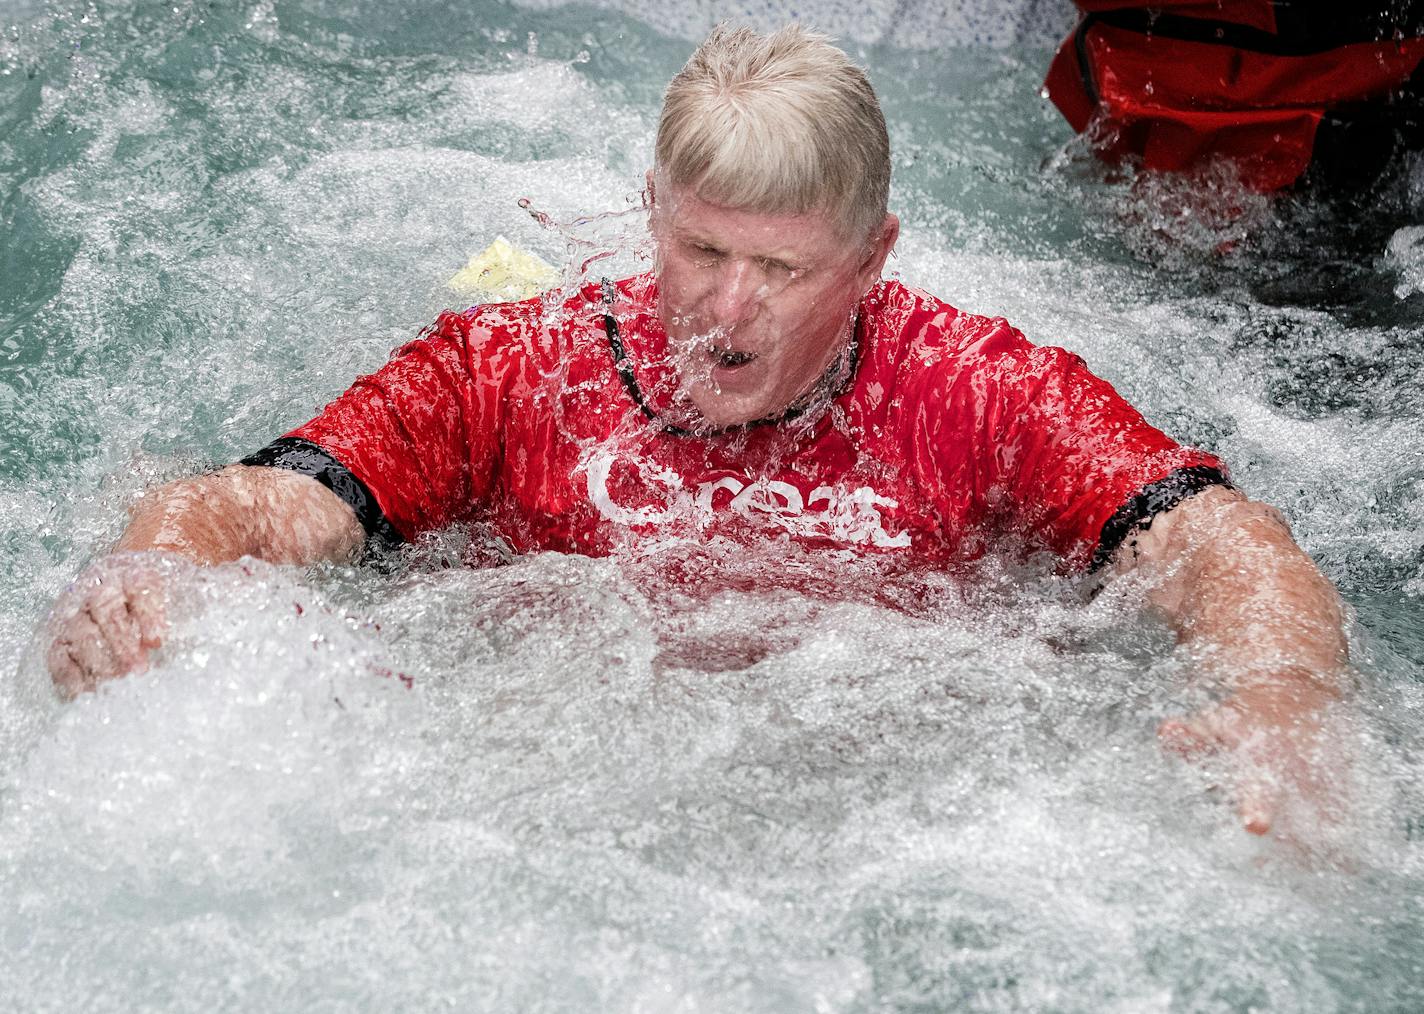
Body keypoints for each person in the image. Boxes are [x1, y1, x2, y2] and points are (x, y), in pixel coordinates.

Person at [46, 25, 1348, 840]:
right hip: (548, 824)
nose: (726, 311)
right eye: (700, 247)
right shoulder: (515, 370)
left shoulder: (976, 385)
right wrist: (144, 572)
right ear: (651, 211)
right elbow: (253, 507)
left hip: (883, 834)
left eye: (781, 267)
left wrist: (1278, 697)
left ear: (875, 255)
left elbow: (1228, 545)